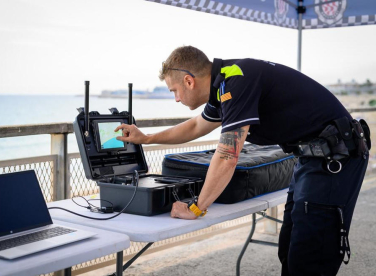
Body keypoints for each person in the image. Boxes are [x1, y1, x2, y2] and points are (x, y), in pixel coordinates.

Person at [115, 46, 369, 276]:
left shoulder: (235, 81)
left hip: (336, 158)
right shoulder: (223, 83)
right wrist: (146, 138)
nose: (176, 99)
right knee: (290, 251)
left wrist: (196, 208)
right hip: (310, 159)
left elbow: (227, 155)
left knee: (310, 259)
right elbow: (195, 127)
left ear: (189, 81)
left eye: (175, 91)